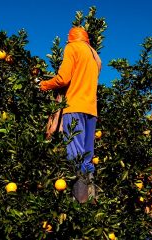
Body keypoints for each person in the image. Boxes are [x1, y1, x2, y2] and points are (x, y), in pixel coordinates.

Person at [39, 26, 101, 203]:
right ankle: (91, 199)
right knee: (87, 155)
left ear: (72, 38)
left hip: (74, 107)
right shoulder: (95, 56)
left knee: (74, 154)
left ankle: (79, 202)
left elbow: (63, 78)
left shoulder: (72, 48)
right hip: (91, 110)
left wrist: (42, 85)